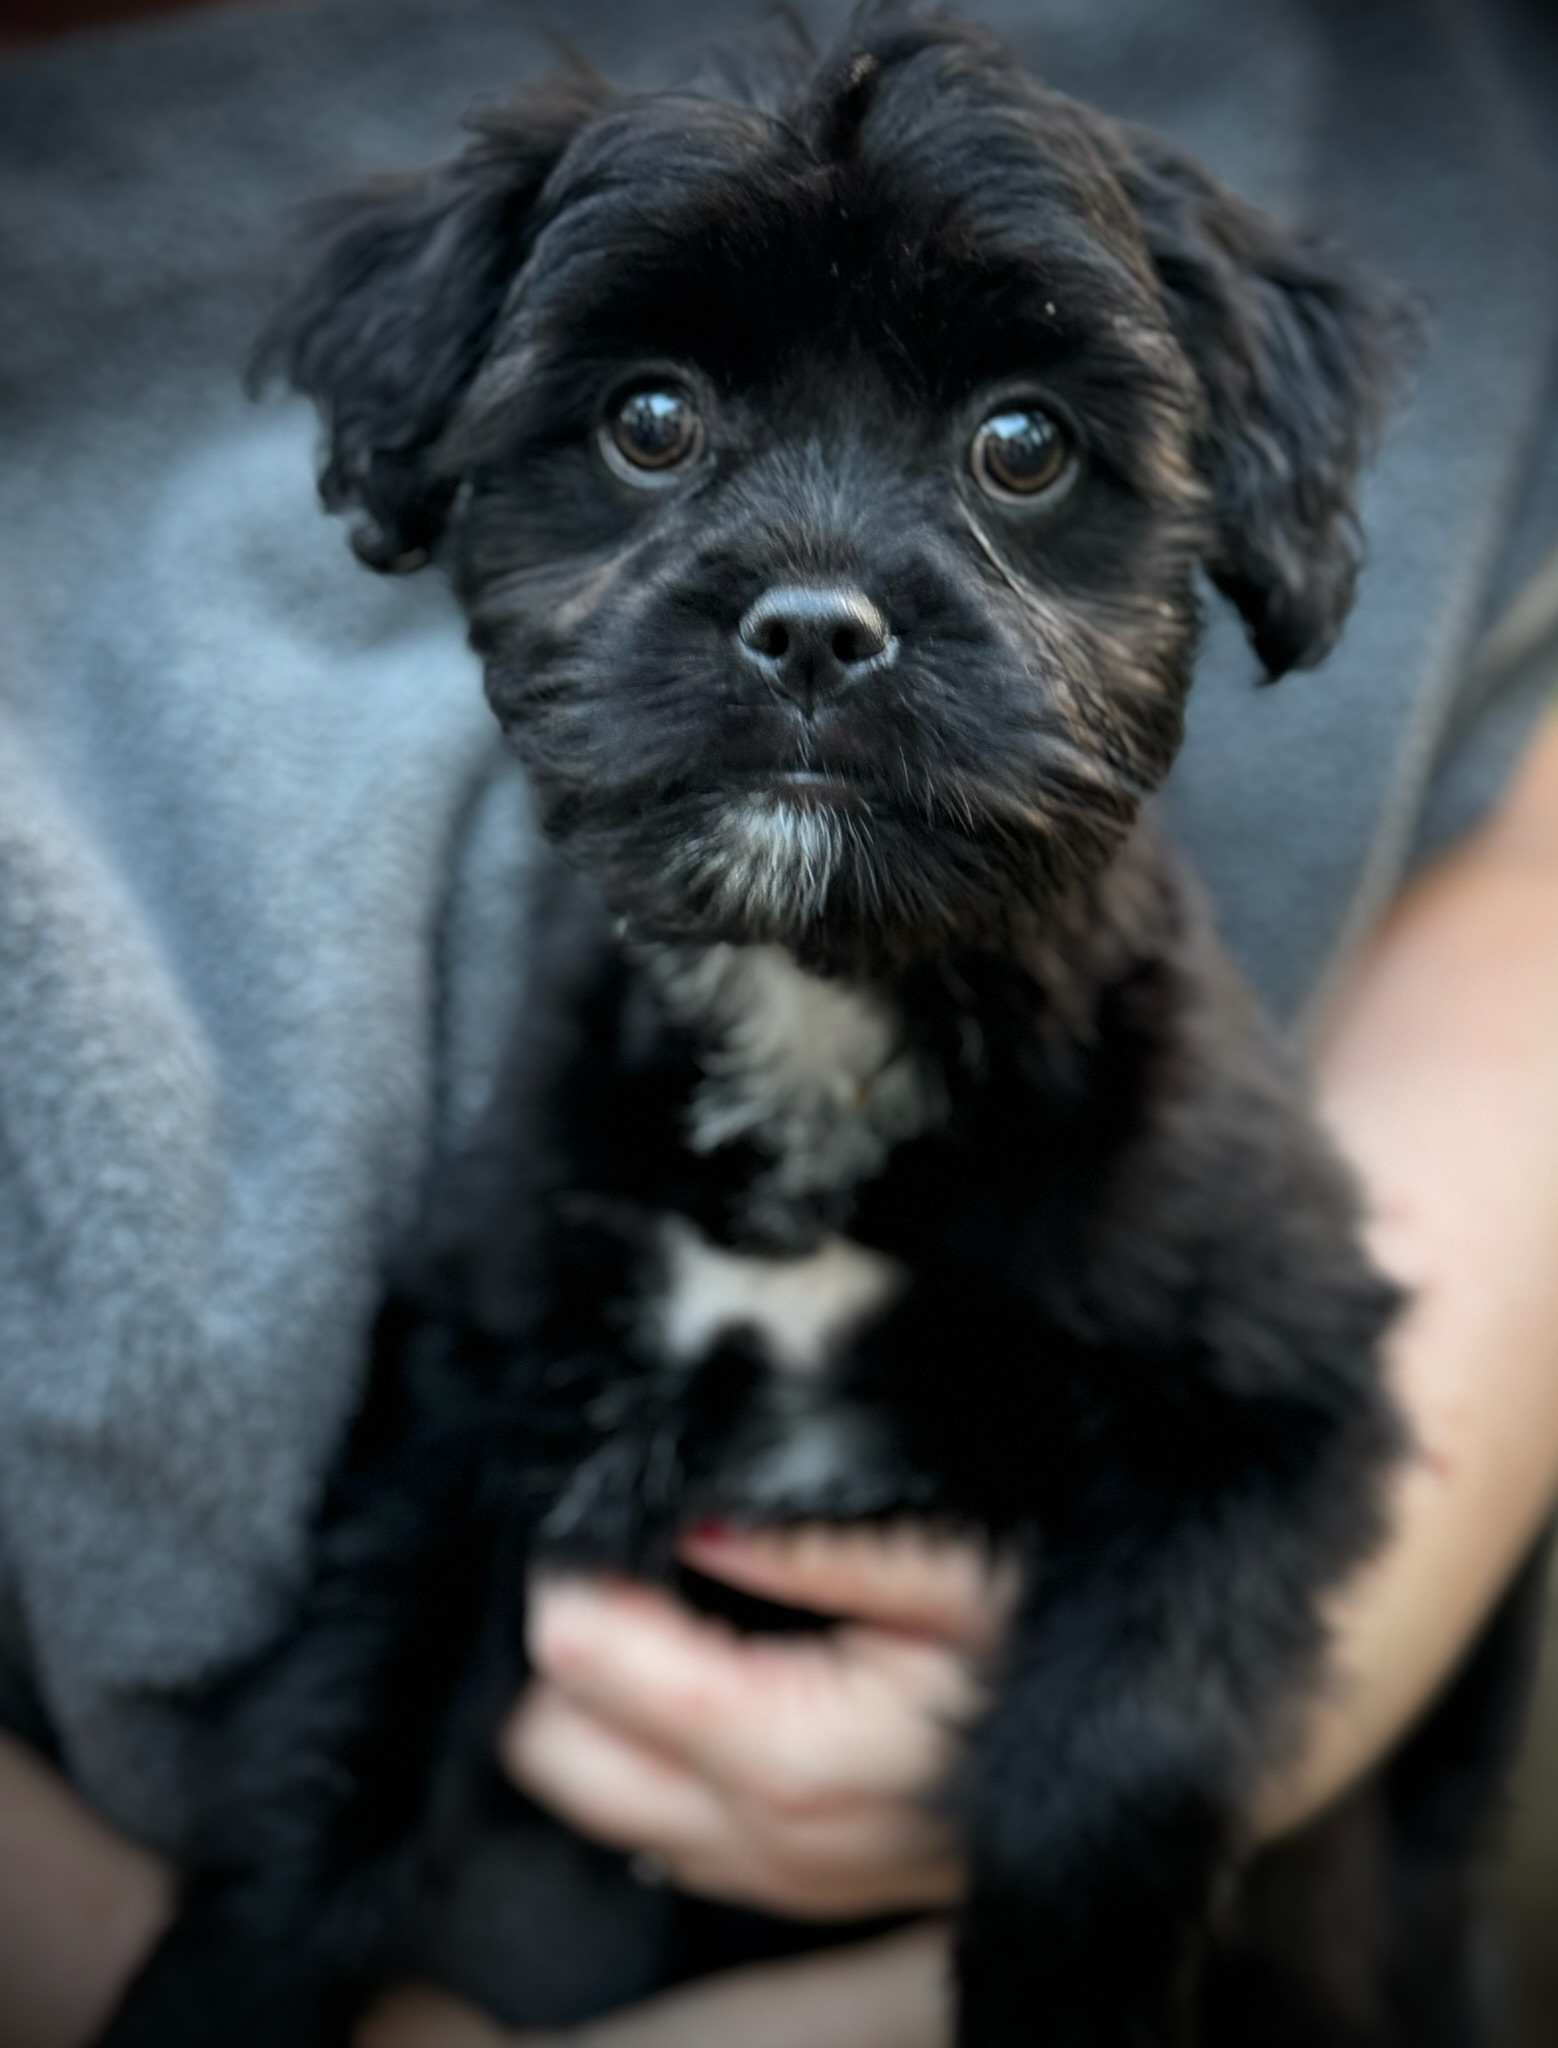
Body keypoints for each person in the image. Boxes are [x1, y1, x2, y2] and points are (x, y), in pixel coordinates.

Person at [2, 1, 1557, 2045]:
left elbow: (1277, 1439)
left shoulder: (1164, 1163)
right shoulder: (560, 1146)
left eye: (1019, 451)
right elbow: (428, 1507)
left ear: (1223, 519)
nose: (815, 598)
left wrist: (1096, 1846)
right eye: (651, 428)